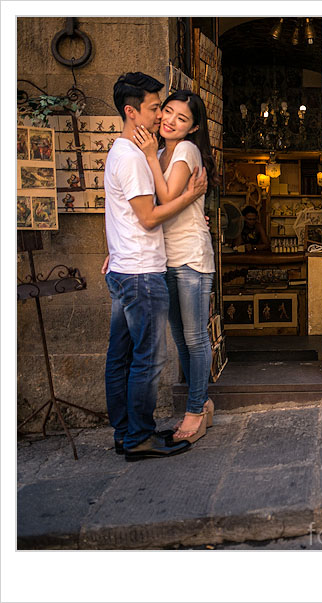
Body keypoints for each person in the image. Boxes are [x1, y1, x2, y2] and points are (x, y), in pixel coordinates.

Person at [103, 72, 207, 461]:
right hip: (142, 272)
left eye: (170, 112)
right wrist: (192, 196)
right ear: (132, 112)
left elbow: (122, 213)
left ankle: (126, 432)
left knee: (123, 355)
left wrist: (114, 250)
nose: (160, 116)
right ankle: (139, 437)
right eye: (155, 108)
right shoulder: (134, 157)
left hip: (132, 267)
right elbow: (148, 218)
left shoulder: (125, 153)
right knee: (147, 358)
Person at [132, 89, 219, 444]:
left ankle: (195, 410)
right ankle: (202, 403)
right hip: (165, 256)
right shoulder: (165, 150)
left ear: (193, 126)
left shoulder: (185, 150)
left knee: (196, 337)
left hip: (190, 256)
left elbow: (168, 198)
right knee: (182, 338)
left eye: (181, 118)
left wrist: (152, 156)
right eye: (167, 112)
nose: (170, 120)